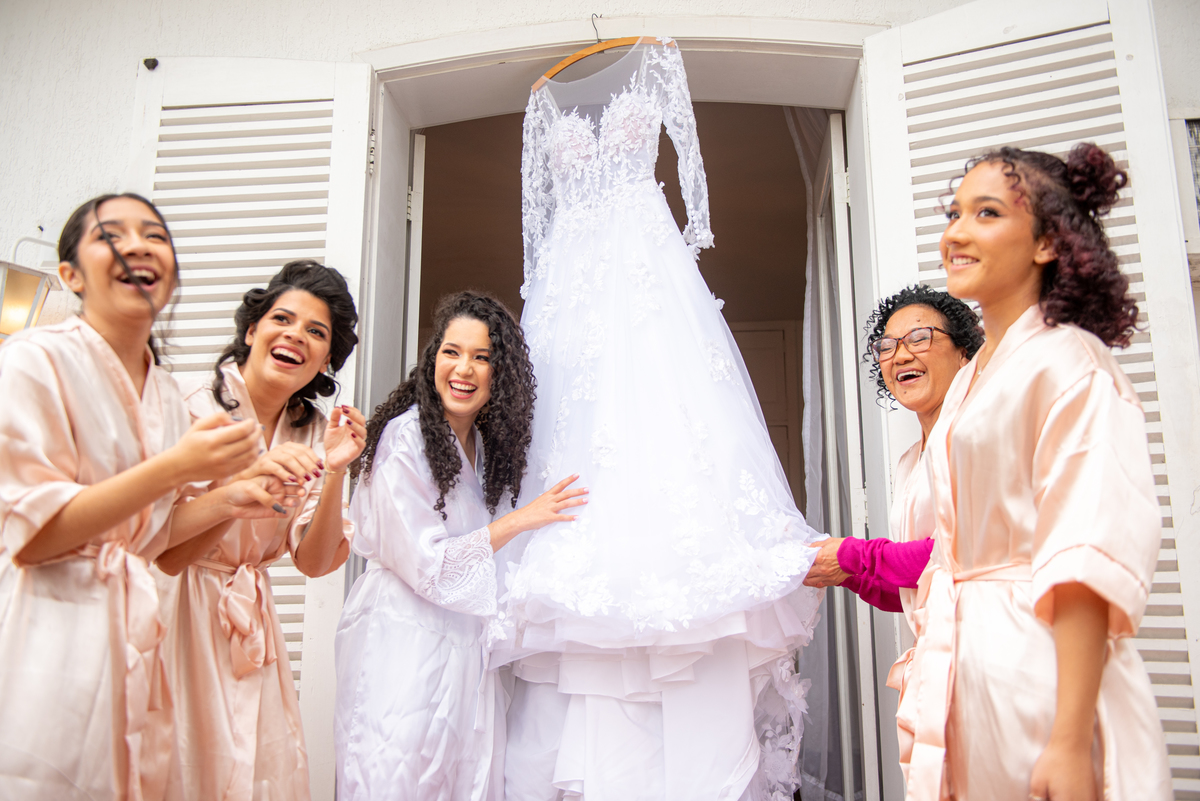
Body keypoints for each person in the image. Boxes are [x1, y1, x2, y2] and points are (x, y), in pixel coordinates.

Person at [903, 143, 1170, 800]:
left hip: (1044, 680)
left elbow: (1086, 551)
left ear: (1048, 242)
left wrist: (1070, 739)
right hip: (971, 677)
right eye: (954, 212)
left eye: (986, 212)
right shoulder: (968, 385)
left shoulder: (1070, 363)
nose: (956, 233)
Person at [0, 194, 283, 800]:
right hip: (44, 628)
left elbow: (163, 551)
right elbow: (32, 534)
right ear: (71, 274)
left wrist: (237, 496)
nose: (137, 244)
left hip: (134, 640)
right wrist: (175, 467)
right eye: (111, 235)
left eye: (154, 235)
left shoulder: (162, 396)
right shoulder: (31, 361)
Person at [333, 291, 586, 801]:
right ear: (433, 360)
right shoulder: (405, 439)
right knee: (395, 776)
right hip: (400, 641)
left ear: (501, 375)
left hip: (461, 647)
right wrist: (521, 521)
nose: (463, 368)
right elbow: (427, 563)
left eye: (482, 356)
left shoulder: (485, 451)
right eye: (451, 351)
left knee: (460, 780)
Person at [157, 260, 363, 801]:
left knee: (253, 774)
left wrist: (337, 469)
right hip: (171, 608)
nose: (296, 335)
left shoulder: (317, 430)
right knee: (177, 764)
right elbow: (160, 549)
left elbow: (316, 563)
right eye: (283, 319)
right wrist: (242, 493)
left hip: (251, 623)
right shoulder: (186, 404)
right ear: (252, 330)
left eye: (316, 333)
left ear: (325, 359)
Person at [803, 285, 984, 612]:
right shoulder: (908, 462)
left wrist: (850, 555)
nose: (900, 355)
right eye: (887, 346)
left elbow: (960, 554)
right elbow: (912, 590)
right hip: (938, 652)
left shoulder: (981, 436)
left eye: (919, 338)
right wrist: (841, 572)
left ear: (964, 354)